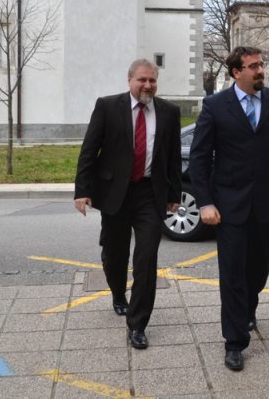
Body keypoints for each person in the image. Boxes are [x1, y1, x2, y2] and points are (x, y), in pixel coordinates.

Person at [188, 45, 269, 371]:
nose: (261, 70)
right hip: (229, 204)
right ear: (236, 72)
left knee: (258, 268)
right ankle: (234, 341)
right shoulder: (216, 106)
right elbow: (199, 158)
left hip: (267, 201)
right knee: (232, 272)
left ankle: (247, 308)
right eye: (253, 66)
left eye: (261, 64)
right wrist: (205, 202)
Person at [74, 59, 182, 350]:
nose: (147, 85)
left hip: (150, 193)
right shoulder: (108, 106)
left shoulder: (169, 112)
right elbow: (89, 150)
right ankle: (118, 293)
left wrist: (174, 193)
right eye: (142, 80)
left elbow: (173, 156)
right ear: (130, 80)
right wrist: (82, 190)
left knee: (146, 258)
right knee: (114, 253)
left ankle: (138, 324)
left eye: (152, 80)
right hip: (115, 194)